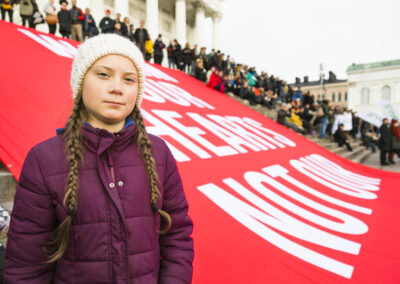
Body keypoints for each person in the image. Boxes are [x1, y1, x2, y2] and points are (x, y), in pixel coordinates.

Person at [4, 34, 194, 283]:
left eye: (129, 79)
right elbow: (26, 266)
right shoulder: (44, 160)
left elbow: (177, 238)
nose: (117, 87)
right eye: (104, 74)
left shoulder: (160, 153)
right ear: (81, 82)